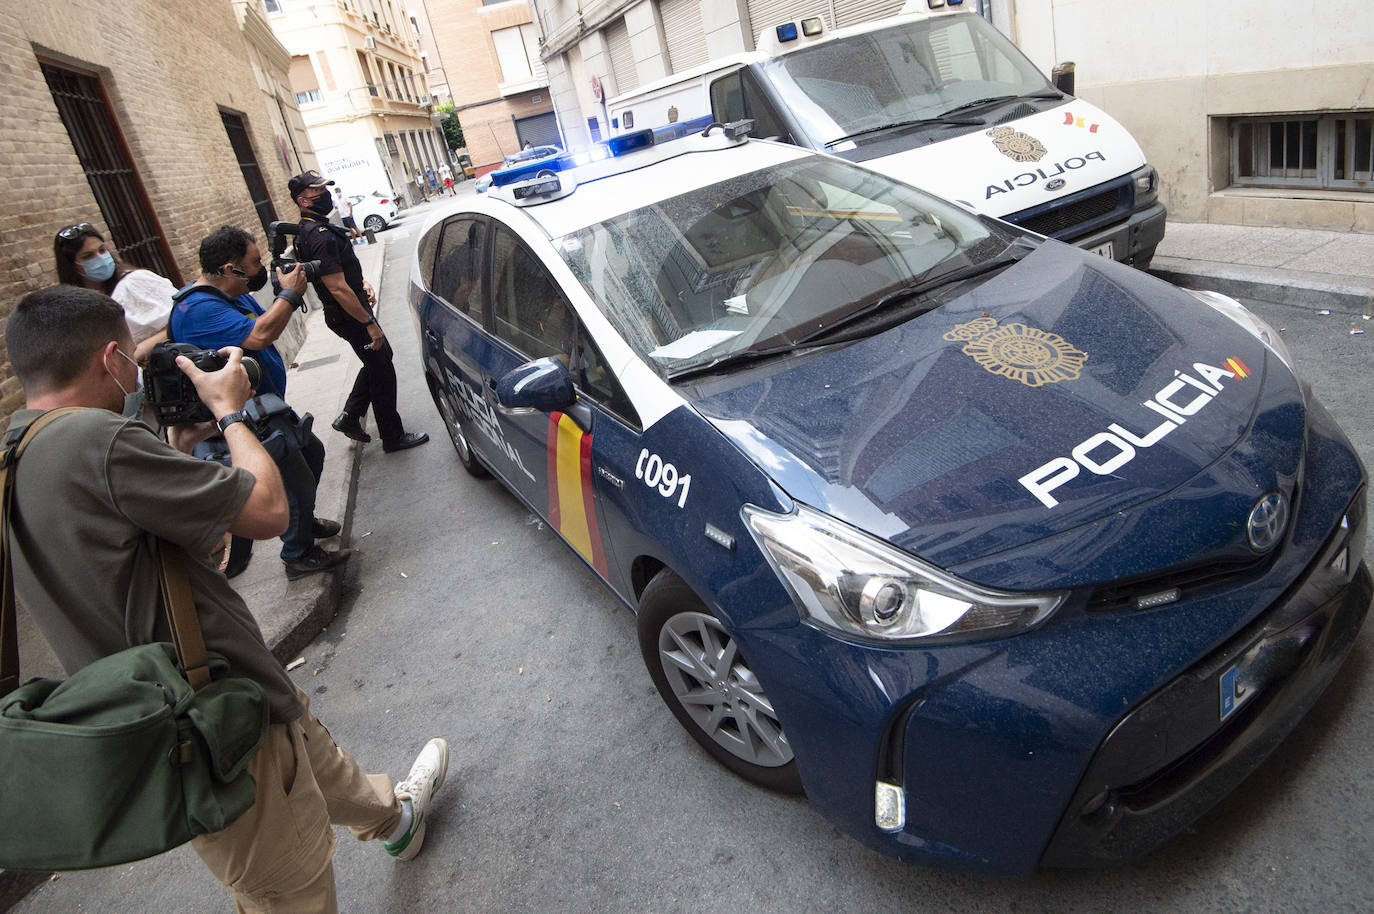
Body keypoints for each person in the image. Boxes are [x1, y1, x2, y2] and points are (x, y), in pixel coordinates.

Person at [4, 284, 450, 912]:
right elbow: (267, 510)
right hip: (212, 715)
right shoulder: (95, 442)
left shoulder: (17, 455)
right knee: (286, 887)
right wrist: (231, 412)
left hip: (196, 694)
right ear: (110, 358)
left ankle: (394, 820)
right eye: (131, 358)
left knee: (309, 750)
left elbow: (167, 548)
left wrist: (180, 451)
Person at [169, 225, 350, 579]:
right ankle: (297, 554)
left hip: (265, 407)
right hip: (239, 417)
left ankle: (302, 522)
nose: (258, 271)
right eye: (253, 264)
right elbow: (261, 333)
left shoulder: (232, 296)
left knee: (310, 452)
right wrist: (291, 294)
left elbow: (264, 322)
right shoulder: (198, 309)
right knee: (295, 479)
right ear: (228, 268)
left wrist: (283, 297)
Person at [287, 171, 429, 453]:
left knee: (379, 360)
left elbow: (338, 273)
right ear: (303, 200)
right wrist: (369, 323)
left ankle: (351, 416)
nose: (325, 196)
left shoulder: (312, 231)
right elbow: (337, 288)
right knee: (382, 368)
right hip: (349, 315)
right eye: (317, 193)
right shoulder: (318, 235)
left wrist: (361, 283)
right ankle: (392, 436)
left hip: (346, 311)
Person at [53, 222, 171, 364]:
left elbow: (182, 318)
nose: (99, 258)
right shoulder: (77, 308)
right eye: (88, 256)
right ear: (72, 265)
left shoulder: (135, 281)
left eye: (102, 250)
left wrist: (140, 351)